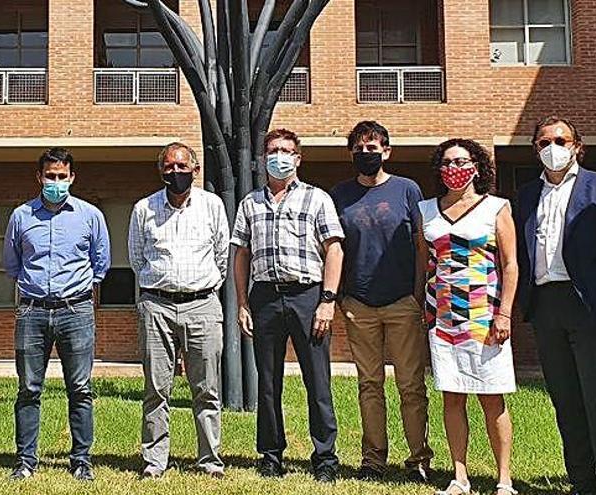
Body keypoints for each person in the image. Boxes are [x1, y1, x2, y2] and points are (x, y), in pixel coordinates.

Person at [231, 128, 344, 482]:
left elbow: (335, 250)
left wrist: (327, 301)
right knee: (268, 381)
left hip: (307, 296)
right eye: (273, 150)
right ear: (264, 158)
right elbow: (241, 254)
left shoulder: (317, 199)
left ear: (298, 158)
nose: (279, 156)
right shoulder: (250, 203)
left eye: (286, 150)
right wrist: (243, 303)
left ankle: (325, 458)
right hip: (264, 296)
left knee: (318, 380)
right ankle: (270, 455)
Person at [330, 121, 433, 482]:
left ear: (387, 151)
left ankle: (418, 458)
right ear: (351, 153)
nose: (366, 153)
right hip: (359, 304)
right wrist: (340, 296)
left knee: (411, 384)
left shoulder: (407, 190)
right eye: (359, 148)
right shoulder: (339, 195)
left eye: (373, 148)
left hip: (403, 301)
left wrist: (418, 294)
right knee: (369, 384)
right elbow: (334, 247)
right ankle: (373, 459)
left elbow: (422, 245)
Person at [3, 147, 110, 482]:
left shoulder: (90, 215)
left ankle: (81, 460)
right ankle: (25, 461)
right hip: (32, 311)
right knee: (29, 389)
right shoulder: (21, 216)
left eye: (62, 177)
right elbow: (11, 264)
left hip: (76, 311)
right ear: (39, 177)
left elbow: (100, 263)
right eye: (50, 176)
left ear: (72, 177)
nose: (56, 182)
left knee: (80, 388)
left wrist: (77, 292)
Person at [418, 139, 518, 495]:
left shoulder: (496, 207)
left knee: (492, 397)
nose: (454, 168)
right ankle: (460, 477)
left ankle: (503, 478)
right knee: (452, 396)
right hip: (442, 321)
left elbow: (510, 264)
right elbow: (426, 263)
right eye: (446, 162)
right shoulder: (426, 210)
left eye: (461, 161)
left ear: (477, 165)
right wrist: (423, 310)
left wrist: (504, 313)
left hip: (486, 319)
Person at [128, 142, 229, 479]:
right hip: (157, 305)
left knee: (207, 387)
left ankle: (210, 459)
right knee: (156, 388)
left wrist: (200, 285)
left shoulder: (212, 206)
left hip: (203, 304)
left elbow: (221, 257)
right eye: (169, 167)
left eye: (182, 167)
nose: (176, 173)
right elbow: (137, 258)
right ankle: (155, 461)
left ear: (195, 170)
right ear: (161, 171)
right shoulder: (144, 208)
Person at [516, 116, 596, 495]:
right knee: (566, 402)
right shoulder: (525, 196)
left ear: (577, 146)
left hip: (587, 305)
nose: (553, 148)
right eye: (544, 142)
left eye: (561, 140)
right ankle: (582, 482)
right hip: (545, 305)